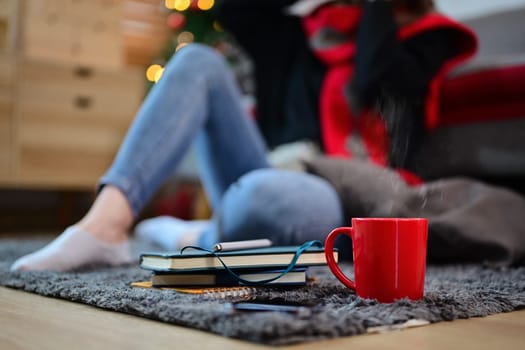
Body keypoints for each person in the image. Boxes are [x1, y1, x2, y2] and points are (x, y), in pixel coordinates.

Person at [10, 0, 477, 272]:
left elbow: (381, 77)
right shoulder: (302, 32)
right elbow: (234, 7)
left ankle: (203, 235)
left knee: (267, 196)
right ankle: (105, 224)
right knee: (197, 63)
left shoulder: (428, 38)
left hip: (341, 197)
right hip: (268, 170)